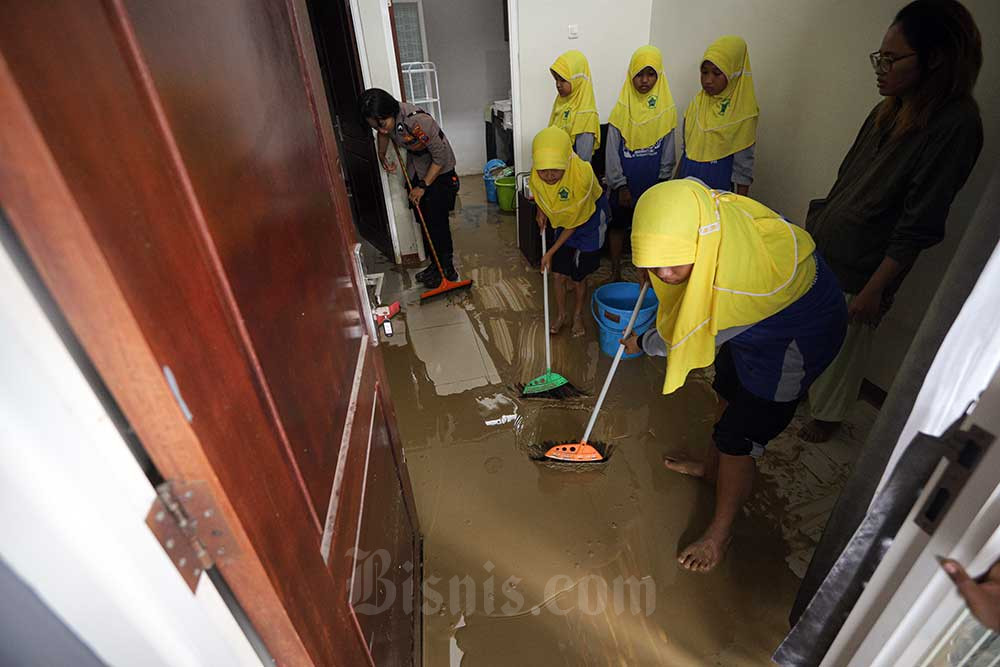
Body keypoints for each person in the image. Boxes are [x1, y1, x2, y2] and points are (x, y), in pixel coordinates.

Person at [621, 178, 847, 572]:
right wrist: (658, 265)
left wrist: (641, 342)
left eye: (673, 263)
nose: (665, 273)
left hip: (795, 338)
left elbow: (684, 339)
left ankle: (718, 535)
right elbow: (681, 280)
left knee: (740, 438)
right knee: (725, 387)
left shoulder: (734, 285)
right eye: (655, 264)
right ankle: (712, 469)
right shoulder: (707, 216)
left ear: (701, 246)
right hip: (755, 325)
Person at [799, 0, 983, 443]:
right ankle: (810, 397)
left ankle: (827, 418)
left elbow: (919, 222)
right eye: (879, 58)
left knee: (846, 346)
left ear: (935, 58)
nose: (880, 68)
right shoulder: (890, 107)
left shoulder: (955, 125)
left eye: (892, 58)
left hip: (865, 266)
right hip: (830, 246)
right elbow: (847, 177)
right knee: (818, 333)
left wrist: (876, 288)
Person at [360, 88, 461, 287]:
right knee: (424, 219)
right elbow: (384, 134)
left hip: (440, 172)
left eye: (382, 124)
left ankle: (447, 269)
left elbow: (440, 158)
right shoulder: (386, 124)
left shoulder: (418, 121)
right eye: (375, 126)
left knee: (437, 222)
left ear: (390, 111)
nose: (381, 130)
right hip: (418, 168)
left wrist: (422, 186)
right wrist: (381, 155)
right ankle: (435, 265)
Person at [605, 45, 678, 283]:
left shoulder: (666, 110)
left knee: (648, 230)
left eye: (651, 73)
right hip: (625, 184)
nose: (644, 80)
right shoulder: (621, 110)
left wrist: (662, 184)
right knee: (618, 227)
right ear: (630, 75)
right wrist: (620, 185)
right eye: (639, 74)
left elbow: (668, 152)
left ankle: (646, 276)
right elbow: (612, 153)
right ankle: (615, 269)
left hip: (653, 185)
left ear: (659, 75)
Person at [531, 127, 609, 338]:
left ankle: (577, 316)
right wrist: (541, 210)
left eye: (555, 170)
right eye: (543, 170)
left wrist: (549, 253)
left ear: (567, 161)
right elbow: (540, 192)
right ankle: (561, 315)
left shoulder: (582, 176)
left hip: (587, 221)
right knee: (558, 274)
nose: (548, 176)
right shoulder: (538, 174)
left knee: (578, 276)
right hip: (565, 219)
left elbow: (573, 223)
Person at [676, 36, 758, 195]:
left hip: (719, 193)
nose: (708, 80)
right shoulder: (695, 105)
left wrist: (740, 207)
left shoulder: (743, 113)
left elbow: (743, 170)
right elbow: (686, 151)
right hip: (687, 188)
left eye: (717, 73)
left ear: (734, 72)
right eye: (704, 72)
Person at [549, 50, 601, 162]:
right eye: (556, 79)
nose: (558, 84)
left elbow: (583, 161)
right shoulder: (561, 102)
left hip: (574, 174)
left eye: (563, 80)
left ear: (577, 80)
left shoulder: (586, 114)